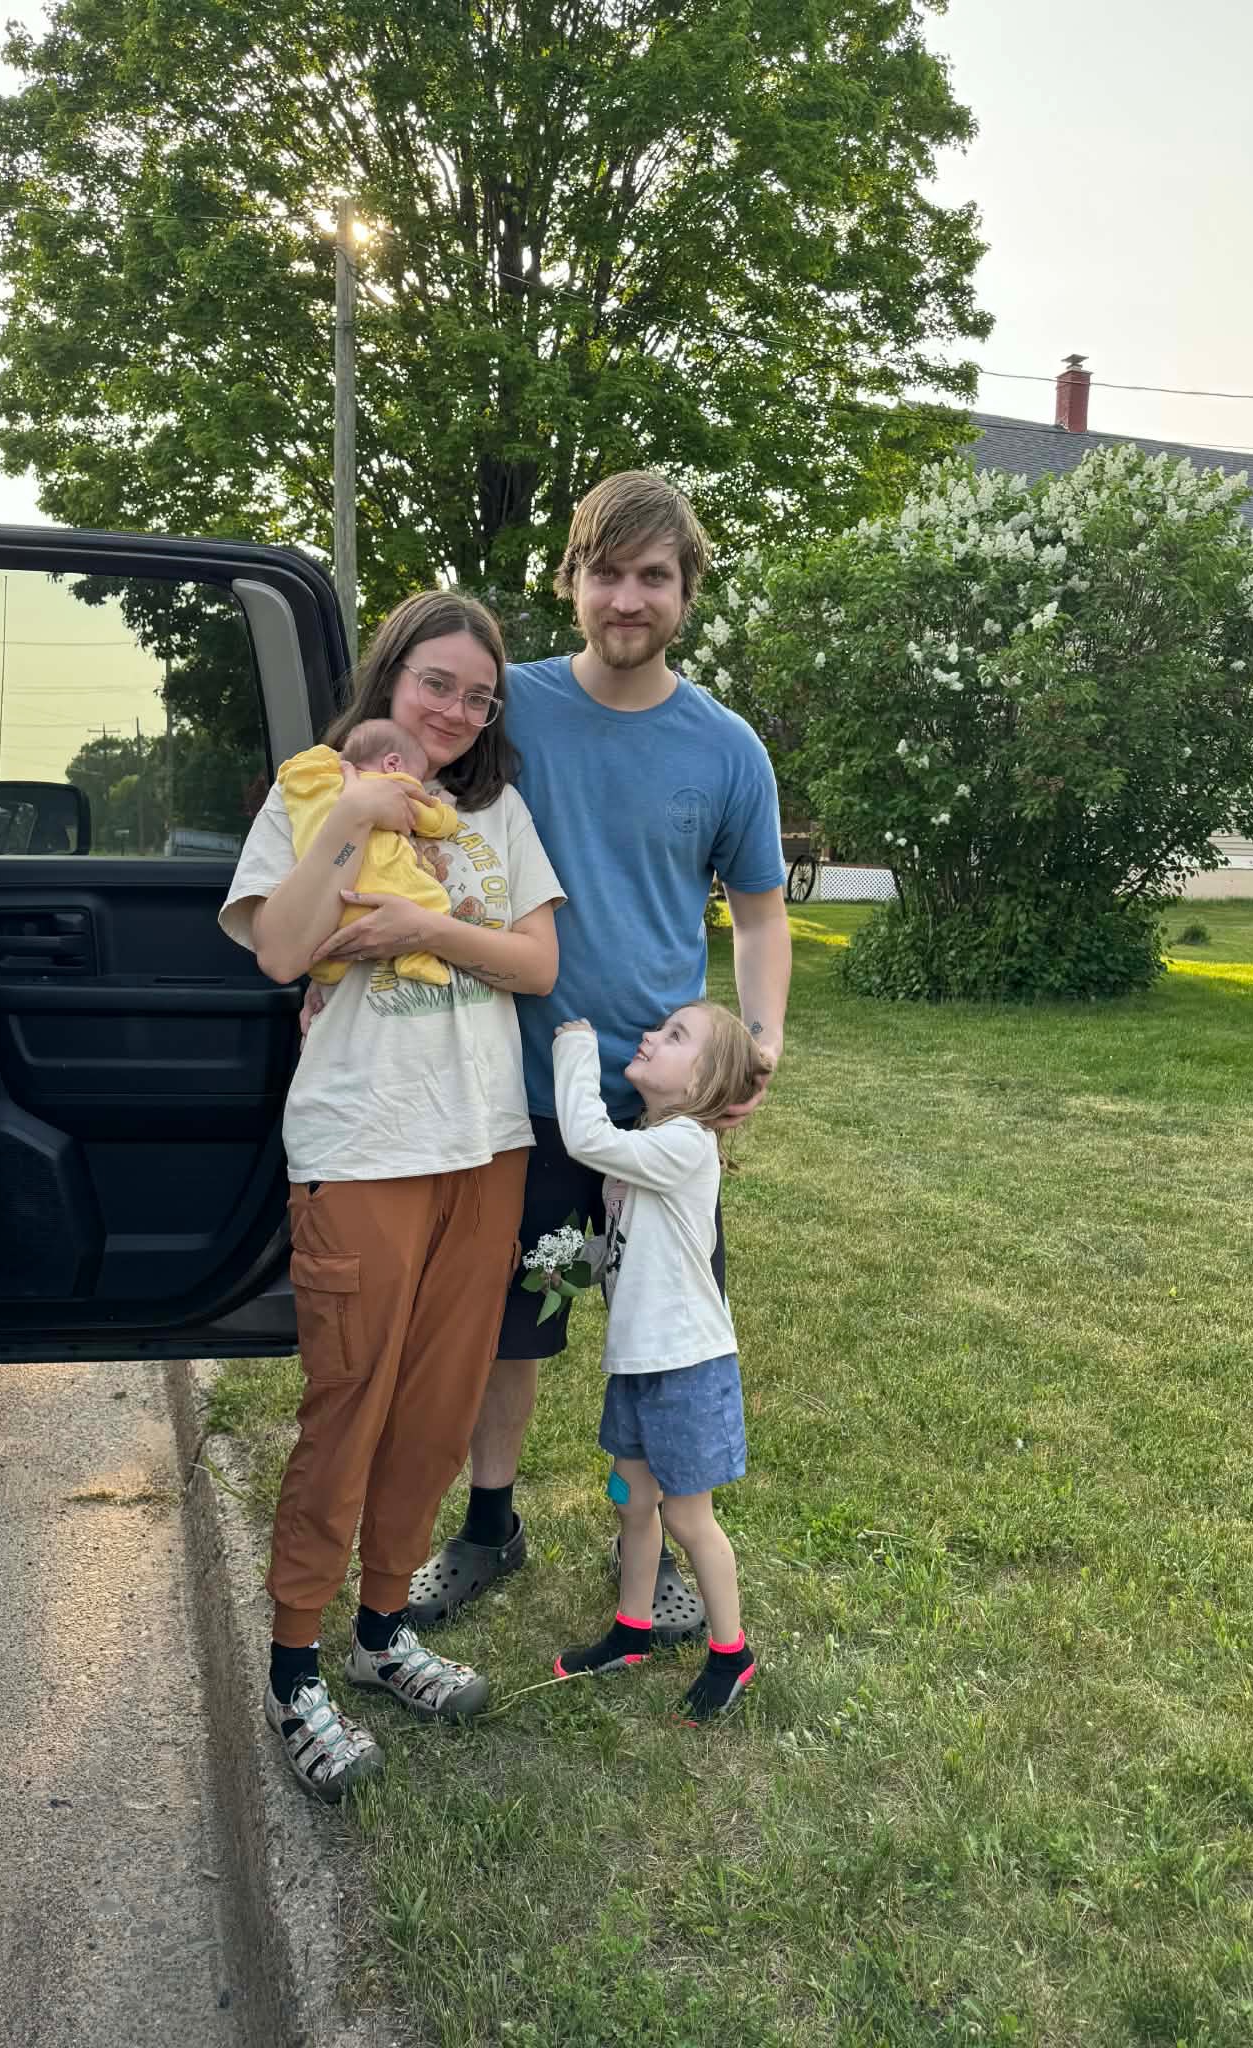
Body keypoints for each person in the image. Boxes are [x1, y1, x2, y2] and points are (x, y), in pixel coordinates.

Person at [410, 471, 791, 1643]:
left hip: (660, 1112)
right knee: (506, 1332)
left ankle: (669, 1549)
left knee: (671, 1343)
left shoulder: (727, 748)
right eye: (607, 572)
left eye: (653, 576)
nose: (628, 598)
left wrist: (762, 1040)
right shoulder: (507, 711)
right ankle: (489, 1526)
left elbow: (760, 914)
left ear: (687, 589)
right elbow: (406, 803)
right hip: (513, 1092)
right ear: (571, 578)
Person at [219, 592, 564, 1803]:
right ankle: (292, 1667)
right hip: (363, 1141)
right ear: (391, 675)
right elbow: (280, 950)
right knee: (350, 1406)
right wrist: (358, 818)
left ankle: (379, 1633)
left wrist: (425, 922)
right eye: (437, 683)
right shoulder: (313, 789)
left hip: (486, 1142)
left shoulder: (495, 810)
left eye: (479, 696)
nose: (457, 712)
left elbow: (538, 962)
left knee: (436, 1408)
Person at [550, 1003, 771, 1722]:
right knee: (631, 1498)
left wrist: (575, 1048)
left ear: (702, 1085)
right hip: (640, 1362)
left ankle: (731, 1652)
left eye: (675, 1036)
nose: (650, 1035)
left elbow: (585, 1136)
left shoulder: (686, 1144)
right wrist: (570, 1266)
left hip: (686, 1366)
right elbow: (631, 1243)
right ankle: (632, 1630)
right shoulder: (651, 1144)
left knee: (686, 1515)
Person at [279, 717, 458, 988]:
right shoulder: (392, 787)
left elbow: (295, 769)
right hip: (381, 889)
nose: (418, 786)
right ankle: (416, 958)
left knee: (334, 945)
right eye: (418, 778)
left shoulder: (318, 785)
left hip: (330, 901)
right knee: (433, 900)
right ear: (393, 764)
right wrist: (443, 811)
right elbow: (432, 821)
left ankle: (326, 970)